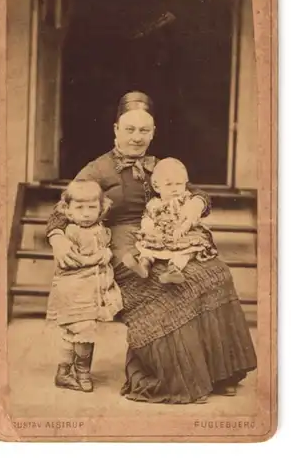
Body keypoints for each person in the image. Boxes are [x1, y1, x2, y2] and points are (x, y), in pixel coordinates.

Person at [46, 90, 257, 404]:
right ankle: (169, 378)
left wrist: (194, 205)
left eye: (144, 130)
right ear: (116, 129)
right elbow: (60, 211)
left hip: (165, 238)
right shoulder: (98, 169)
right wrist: (58, 238)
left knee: (214, 271)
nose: (136, 137)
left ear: (154, 132)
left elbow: (196, 192)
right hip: (121, 247)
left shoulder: (159, 165)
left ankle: (219, 371)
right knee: (165, 286)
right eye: (129, 129)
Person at [47, 180, 123, 392]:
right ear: (68, 210)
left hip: (90, 290)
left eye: (92, 207)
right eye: (79, 208)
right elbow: (76, 260)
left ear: (101, 208)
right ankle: (77, 372)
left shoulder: (101, 229)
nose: (86, 213)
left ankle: (71, 372)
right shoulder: (71, 232)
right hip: (74, 291)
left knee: (78, 332)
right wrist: (102, 255)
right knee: (79, 332)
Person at [122, 157, 218, 284]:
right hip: (161, 235)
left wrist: (184, 228)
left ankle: (174, 270)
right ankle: (143, 266)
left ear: (185, 183)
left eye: (179, 184)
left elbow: (190, 217)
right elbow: (148, 216)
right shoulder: (154, 204)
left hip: (183, 234)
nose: (174, 189)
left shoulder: (186, 199)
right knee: (146, 249)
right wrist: (148, 227)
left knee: (184, 253)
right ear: (156, 187)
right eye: (169, 184)